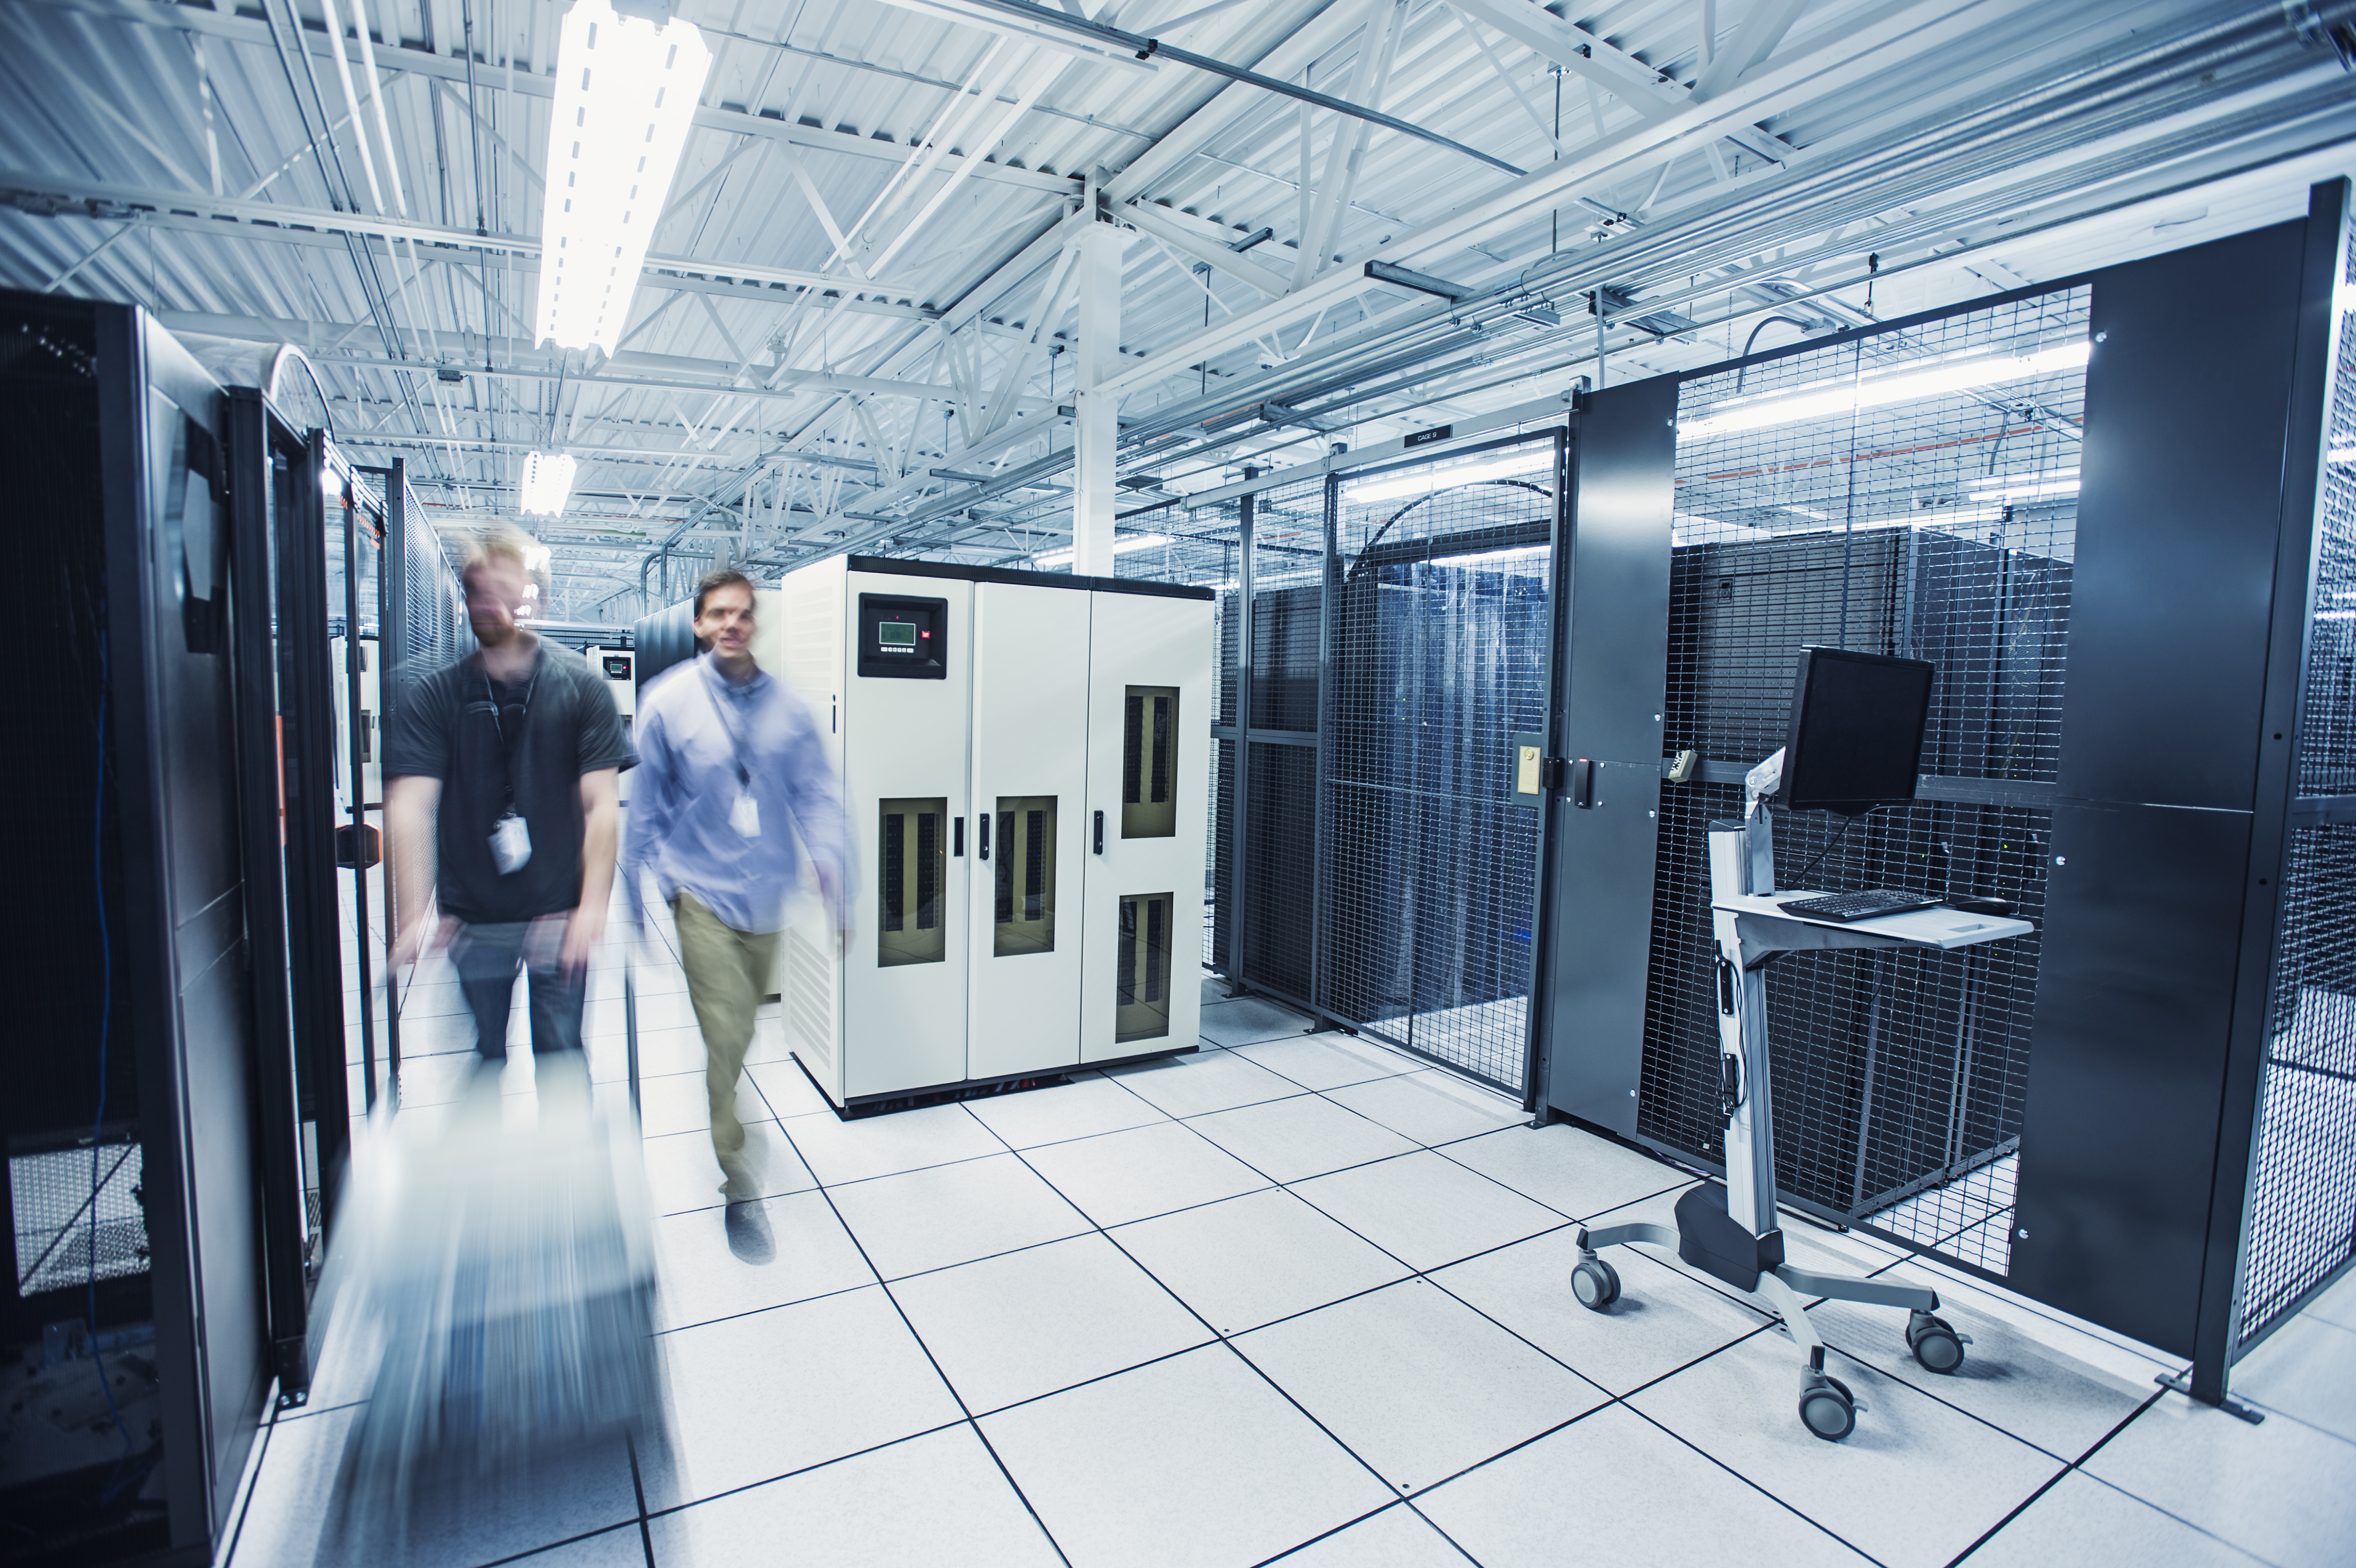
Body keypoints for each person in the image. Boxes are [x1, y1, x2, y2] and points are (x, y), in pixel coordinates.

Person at [623, 568, 853, 1205]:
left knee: (744, 1025)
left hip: (766, 895)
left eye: (743, 613)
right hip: (698, 890)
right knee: (725, 1029)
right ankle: (735, 1158)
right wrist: (631, 889)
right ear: (699, 624)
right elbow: (643, 801)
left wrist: (834, 865)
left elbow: (818, 793)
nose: (732, 623)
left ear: (755, 623)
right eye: (719, 613)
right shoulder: (668, 701)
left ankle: (729, 1109)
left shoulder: (790, 709)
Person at [384, 527, 636, 1092]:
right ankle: (483, 1169)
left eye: (506, 590)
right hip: (474, 919)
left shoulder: (581, 687)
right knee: (486, 1058)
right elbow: (410, 807)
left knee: (563, 1059)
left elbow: (600, 806)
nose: (490, 604)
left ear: (536, 599)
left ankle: (569, 1174)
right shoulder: (434, 692)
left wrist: (593, 907)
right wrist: (413, 911)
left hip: (557, 916)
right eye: (477, 590)